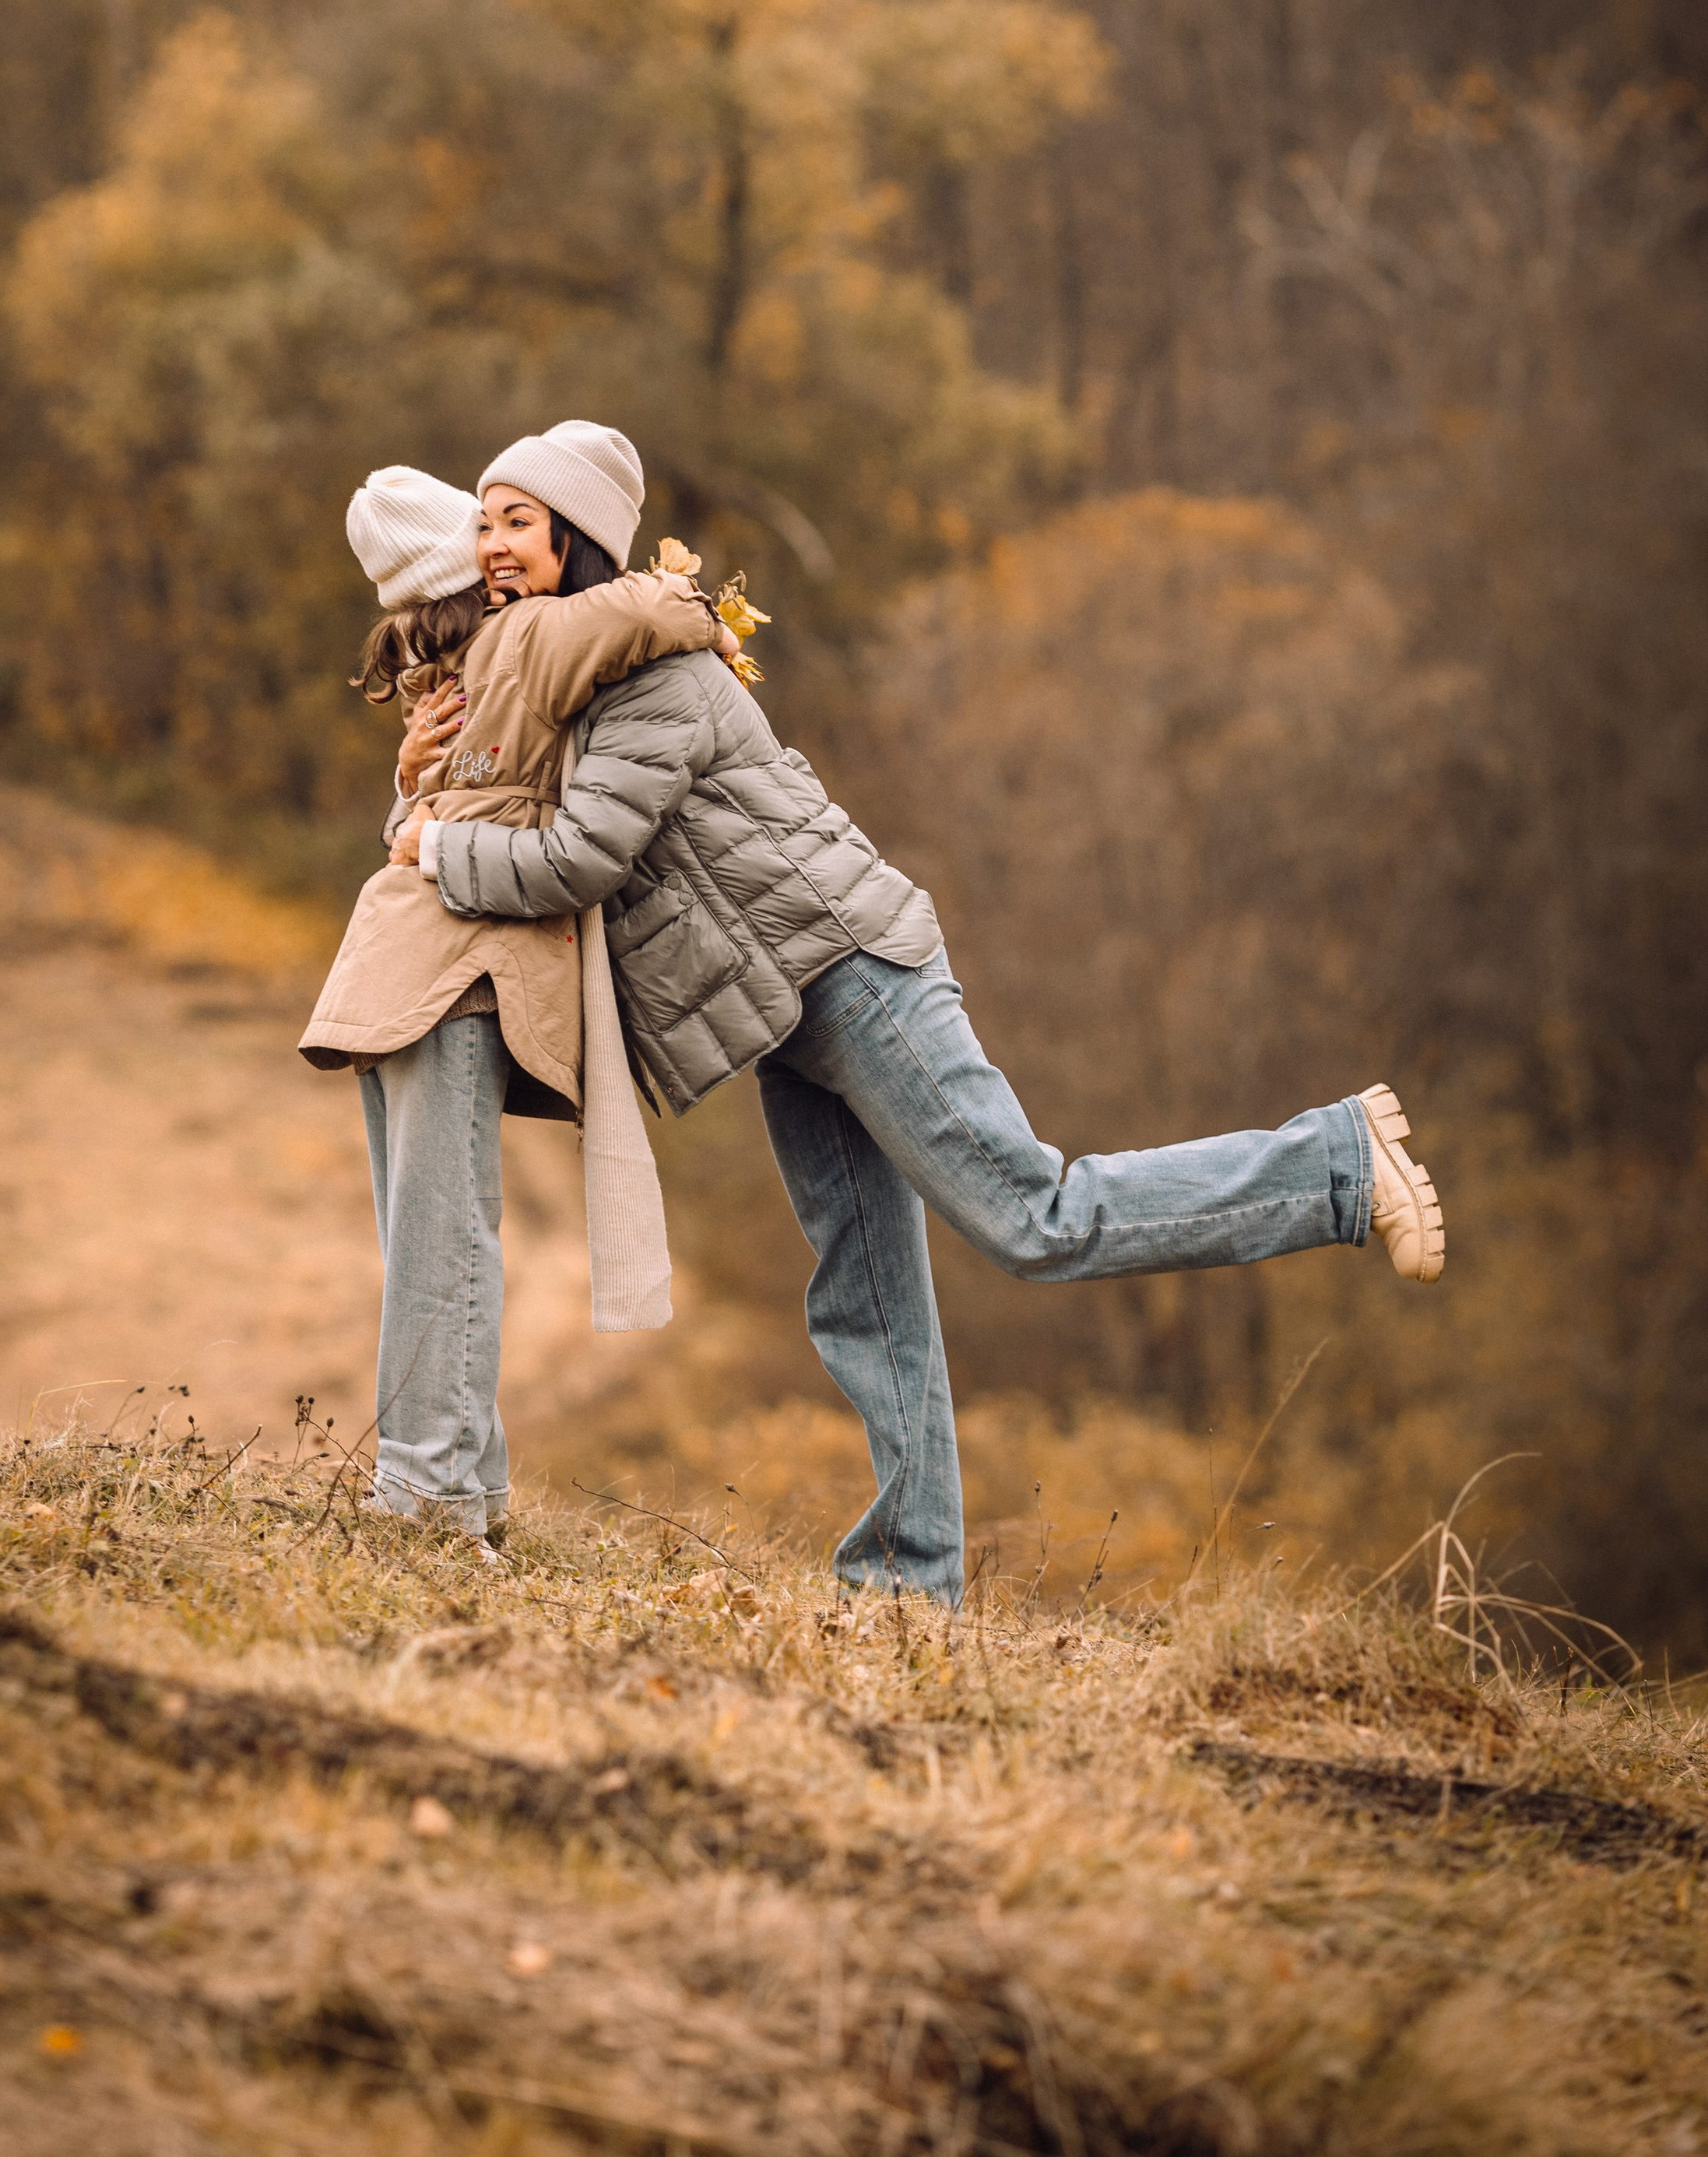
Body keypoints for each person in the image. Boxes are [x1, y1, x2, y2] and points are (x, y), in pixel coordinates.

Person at [418, 424, 1448, 1604]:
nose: (491, 544)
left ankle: (1334, 1162)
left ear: (577, 537)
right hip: (791, 1012)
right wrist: (422, 781)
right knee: (864, 1290)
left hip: (856, 975)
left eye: (515, 520)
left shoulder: (654, 678)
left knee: (1036, 1215)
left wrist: (433, 843)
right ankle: (911, 1584)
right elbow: (496, 791)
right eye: (482, 520)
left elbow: (576, 859)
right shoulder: (577, 678)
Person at [300, 456, 730, 1543]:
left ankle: (463, 1496)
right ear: (465, 557)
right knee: (451, 1245)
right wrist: (703, 609)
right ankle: (431, 1502)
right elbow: (643, 606)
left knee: (428, 1242)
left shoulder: (451, 670)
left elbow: (436, 810)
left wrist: (409, 792)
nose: (502, 552)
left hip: (397, 969)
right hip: (451, 976)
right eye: (484, 531)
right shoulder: (524, 639)